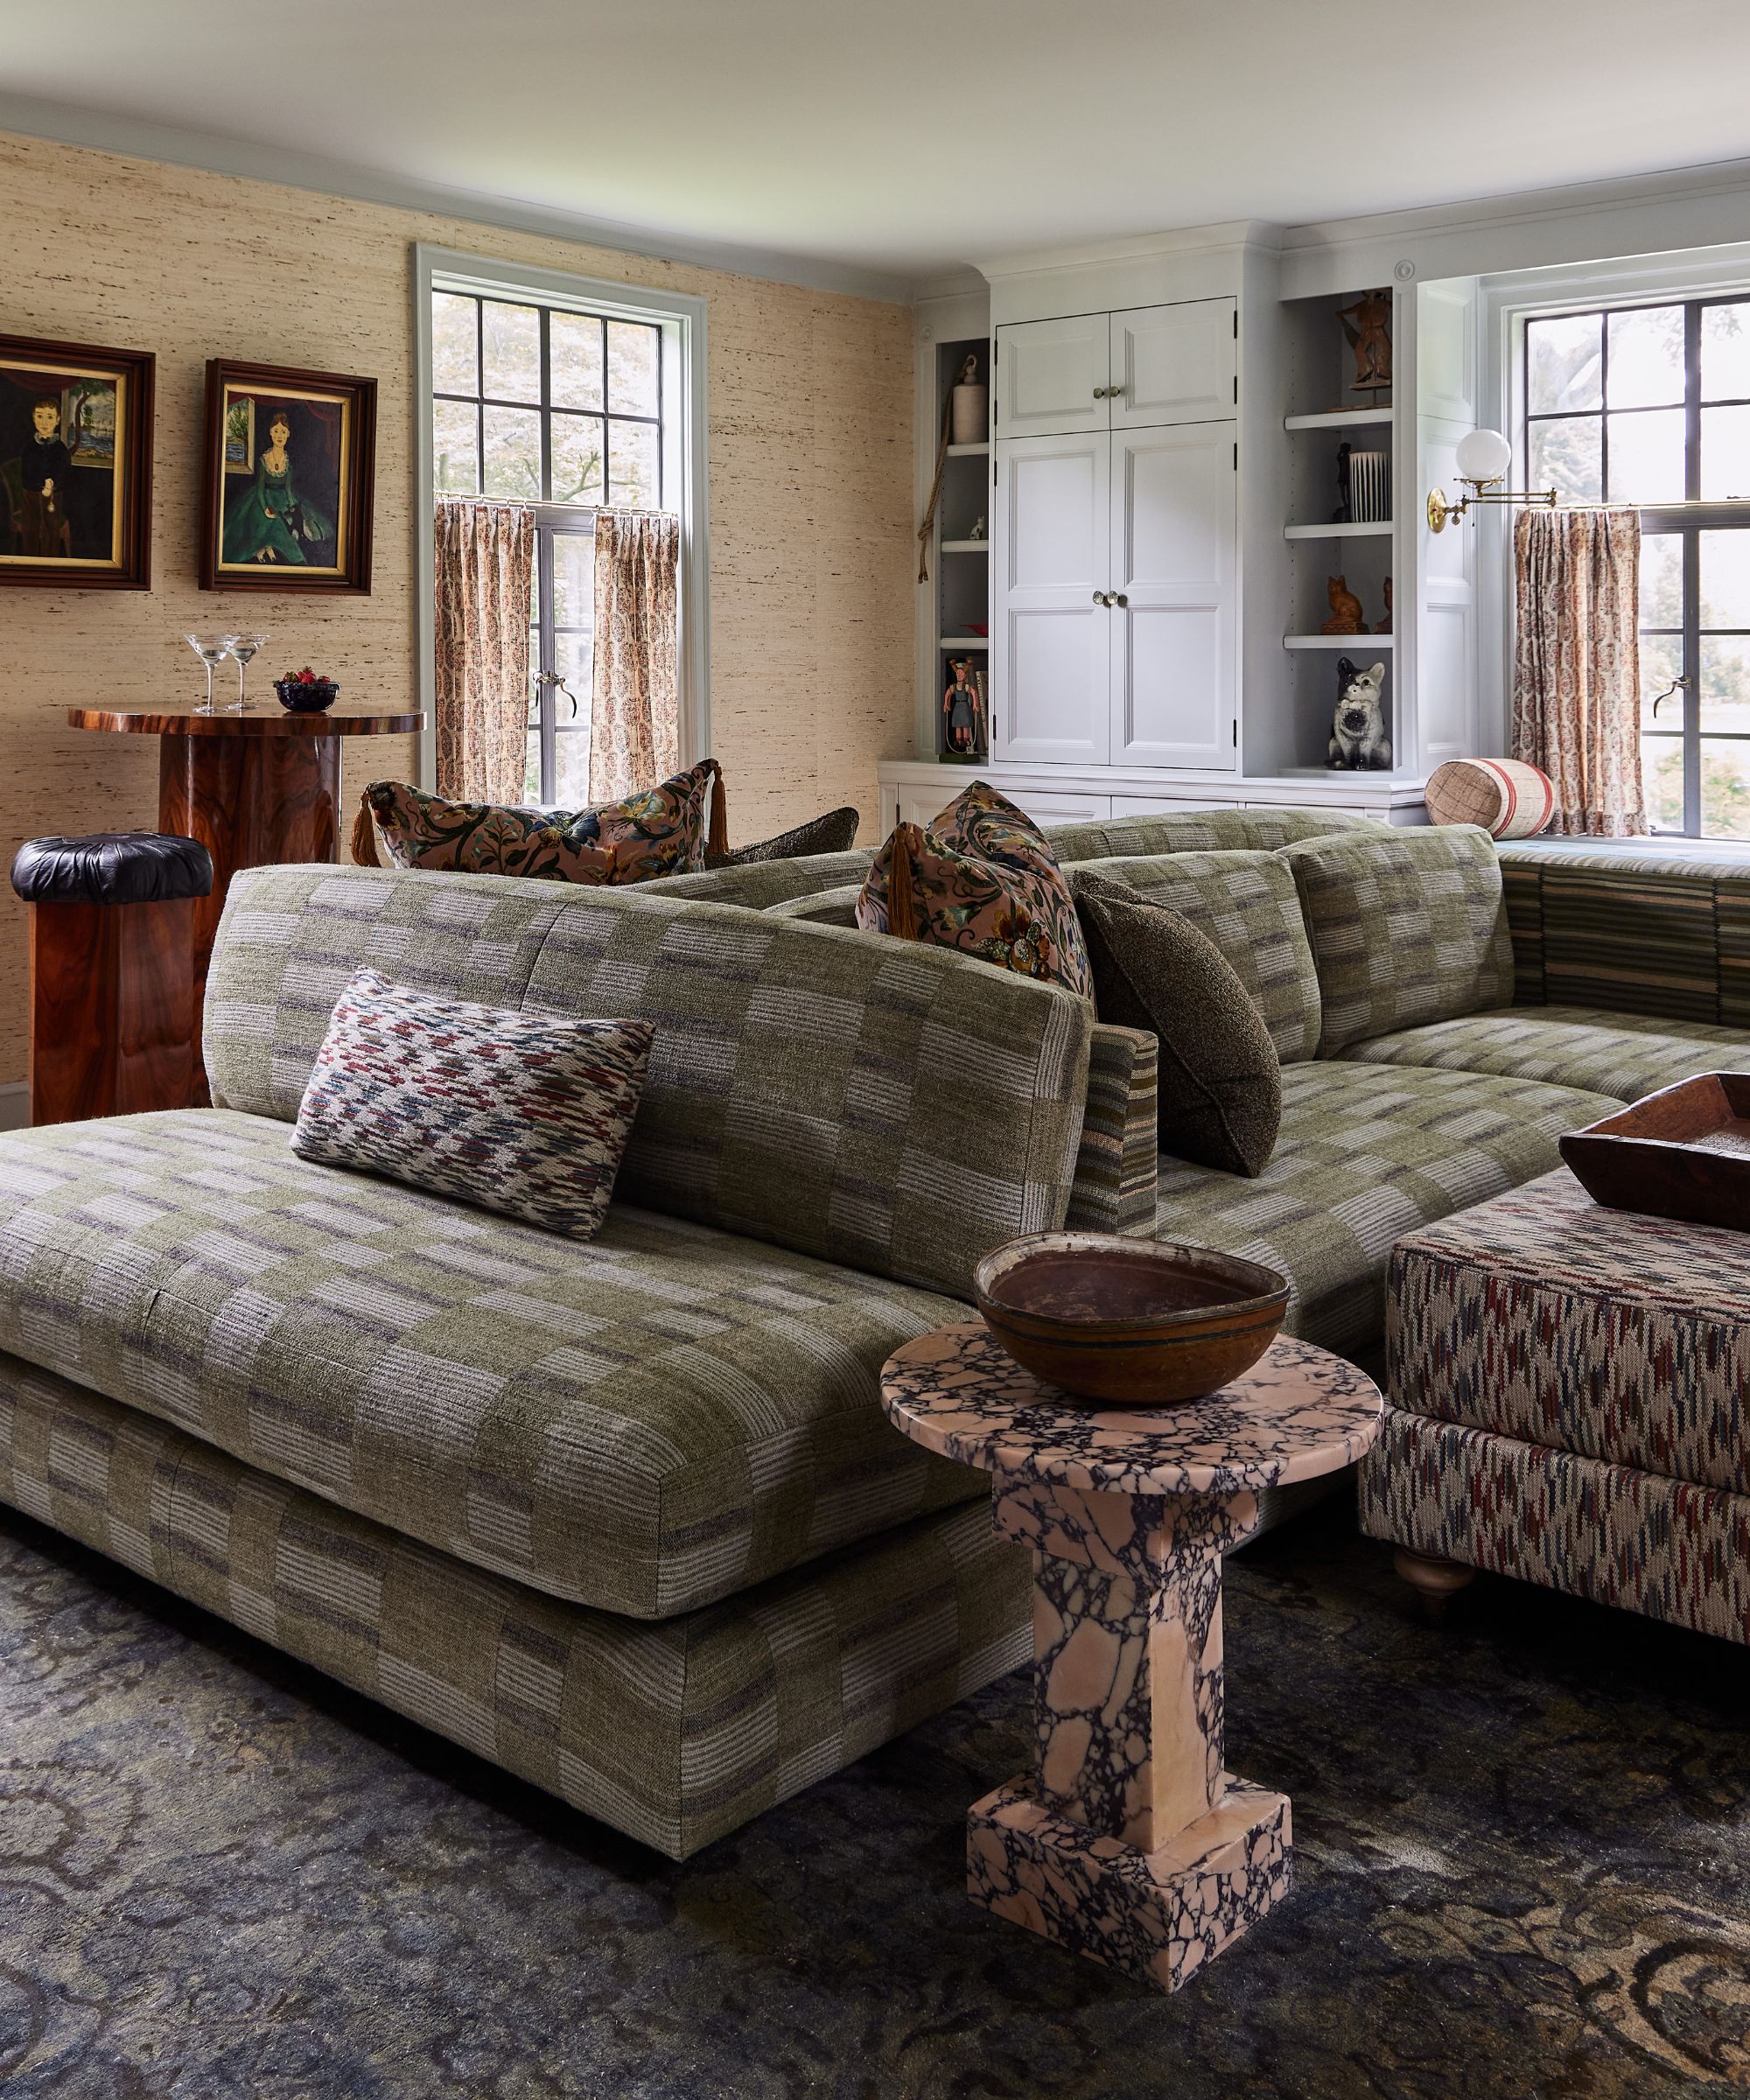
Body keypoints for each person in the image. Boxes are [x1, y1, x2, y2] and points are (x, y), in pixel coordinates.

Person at [221, 407, 334, 565]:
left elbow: (288, 492)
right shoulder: (264, 459)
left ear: (288, 434)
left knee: (291, 523)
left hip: (282, 499)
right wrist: (265, 508)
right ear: (270, 433)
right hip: (262, 498)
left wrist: (293, 508)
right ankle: (264, 550)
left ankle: (288, 557)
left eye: (283, 432)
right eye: (276, 431)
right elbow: (260, 490)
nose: (279, 436)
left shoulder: (287, 463)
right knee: (269, 522)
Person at [18, 396, 73, 557]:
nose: (44, 422)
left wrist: (52, 486)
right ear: (33, 417)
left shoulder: (61, 449)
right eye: (40, 416)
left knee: (51, 531)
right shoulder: (29, 448)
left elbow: (64, 474)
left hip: (54, 498)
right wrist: (41, 488)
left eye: (49, 417)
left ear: (57, 419)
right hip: (31, 497)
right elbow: (26, 476)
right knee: (31, 531)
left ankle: (50, 564)